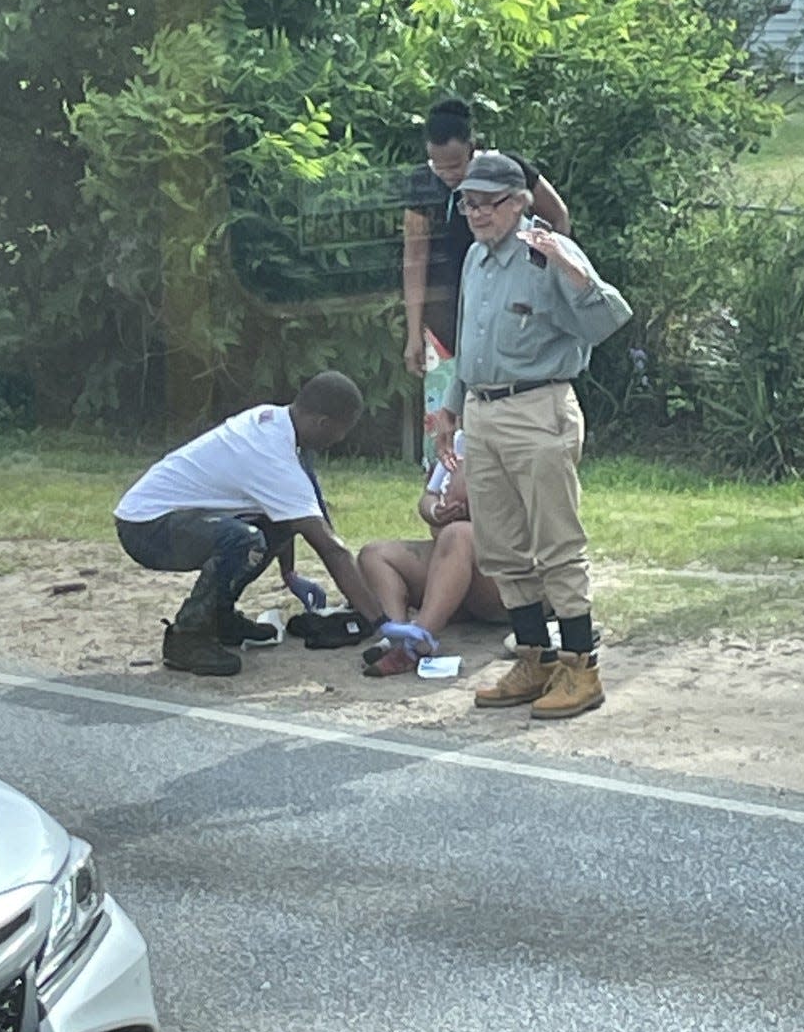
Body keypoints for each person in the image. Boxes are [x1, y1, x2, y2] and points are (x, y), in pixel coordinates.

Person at [435, 153, 632, 719]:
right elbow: (467, 343)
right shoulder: (475, 258)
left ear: (519, 202)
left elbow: (606, 323)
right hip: (483, 411)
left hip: (539, 408)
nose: (476, 213)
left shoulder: (548, 253)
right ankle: (534, 658)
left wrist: (573, 271)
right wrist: (451, 409)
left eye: (488, 203)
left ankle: (580, 666)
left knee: (556, 544)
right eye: (468, 202)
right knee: (500, 546)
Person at [115, 371, 411, 677]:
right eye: (341, 430)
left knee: (265, 529)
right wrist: (382, 623)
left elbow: (293, 516)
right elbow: (330, 548)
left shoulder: (277, 424)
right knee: (243, 540)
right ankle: (187, 637)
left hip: (170, 518)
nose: (340, 439)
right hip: (146, 527)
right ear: (322, 423)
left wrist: (289, 572)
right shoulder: (272, 454)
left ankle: (219, 616)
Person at [401, 98, 571, 467]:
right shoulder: (421, 186)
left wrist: (545, 276)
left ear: (473, 149)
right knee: (445, 419)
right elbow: (415, 258)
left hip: (505, 313)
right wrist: (415, 332)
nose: (448, 175)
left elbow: (558, 215)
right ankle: (445, 492)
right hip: (445, 318)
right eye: (438, 165)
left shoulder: (507, 171)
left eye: (456, 165)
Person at [356, 431, 508, 677]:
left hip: (502, 571)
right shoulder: (458, 441)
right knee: (374, 554)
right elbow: (429, 496)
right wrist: (437, 511)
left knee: (457, 535)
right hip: (449, 558)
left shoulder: (518, 438)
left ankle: (419, 642)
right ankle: (398, 632)